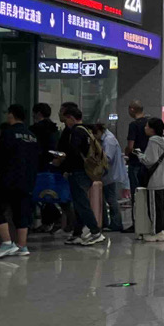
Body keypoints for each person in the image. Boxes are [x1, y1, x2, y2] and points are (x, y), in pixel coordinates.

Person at [0, 104, 39, 259]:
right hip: (27, 180)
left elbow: (1, 156)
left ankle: (7, 243)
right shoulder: (32, 136)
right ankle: (22, 246)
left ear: (11, 115)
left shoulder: (8, 133)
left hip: (8, 179)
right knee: (21, 212)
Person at [55, 102, 105, 246]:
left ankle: (95, 232)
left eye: (66, 119)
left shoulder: (76, 131)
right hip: (87, 171)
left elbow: (73, 153)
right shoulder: (86, 130)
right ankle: (77, 233)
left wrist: (63, 162)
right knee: (79, 204)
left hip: (78, 172)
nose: (65, 122)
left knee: (82, 204)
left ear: (71, 118)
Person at [137, 117, 164, 242]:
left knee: (154, 207)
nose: (145, 128)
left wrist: (139, 155)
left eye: (147, 126)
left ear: (152, 129)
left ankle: (157, 232)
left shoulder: (153, 141)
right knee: (161, 206)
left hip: (155, 179)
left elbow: (149, 160)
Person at [32, 102, 62, 233]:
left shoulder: (36, 129)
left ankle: (54, 218)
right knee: (48, 194)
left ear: (38, 114)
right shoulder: (55, 129)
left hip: (39, 165)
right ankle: (49, 221)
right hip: (53, 165)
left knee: (40, 194)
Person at [96, 122, 127, 232]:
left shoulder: (108, 140)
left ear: (99, 131)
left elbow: (107, 158)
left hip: (110, 175)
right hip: (108, 174)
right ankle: (107, 222)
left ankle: (116, 223)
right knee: (107, 199)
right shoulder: (107, 138)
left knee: (111, 199)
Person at [122, 101, 147, 232]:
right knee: (146, 194)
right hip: (147, 164)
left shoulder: (134, 125)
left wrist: (127, 152)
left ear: (132, 109)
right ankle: (146, 222)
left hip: (135, 163)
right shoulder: (149, 123)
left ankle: (136, 223)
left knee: (136, 194)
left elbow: (130, 146)